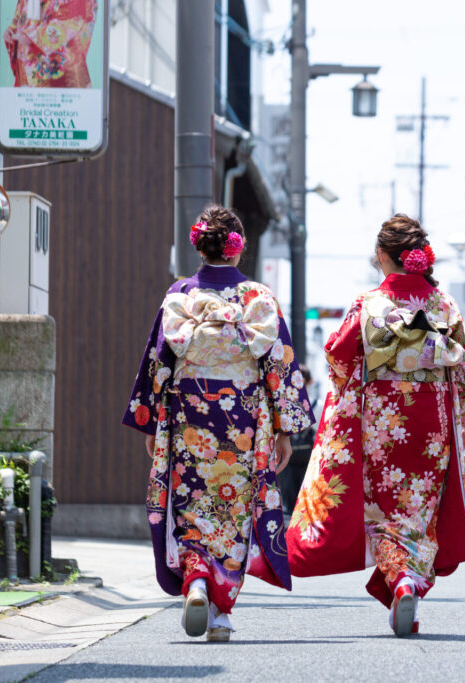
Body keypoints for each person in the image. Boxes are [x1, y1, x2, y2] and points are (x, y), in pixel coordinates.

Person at [285, 214, 465, 637]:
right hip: (432, 421)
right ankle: (410, 585)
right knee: (419, 513)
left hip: (382, 419)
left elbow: (338, 356)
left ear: (382, 256)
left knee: (381, 512)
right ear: (419, 257)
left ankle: (402, 580)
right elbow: (464, 363)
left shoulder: (369, 303)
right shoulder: (444, 305)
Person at [123, 205, 313, 642]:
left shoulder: (180, 297)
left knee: (191, 505)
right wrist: (285, 429)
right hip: (243, 418)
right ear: (238, 247)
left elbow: (159, 362)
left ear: (199, 244)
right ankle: (222, 611)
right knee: (233, 508)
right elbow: (279, 365)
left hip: (190, 416)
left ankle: (195, 583)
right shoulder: (258, 300)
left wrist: (153, 422)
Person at [4, 0, 98, 88]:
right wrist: (12, 29)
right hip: (26, 65)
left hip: (60, 70)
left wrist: (34, 37)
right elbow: (21, 13)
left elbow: (77, 13)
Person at [278, 364, 317, 516]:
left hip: (290, 455)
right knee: (303, 501)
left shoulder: (284, 403)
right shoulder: (316, 403)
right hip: (307, 454)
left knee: (291, 501)